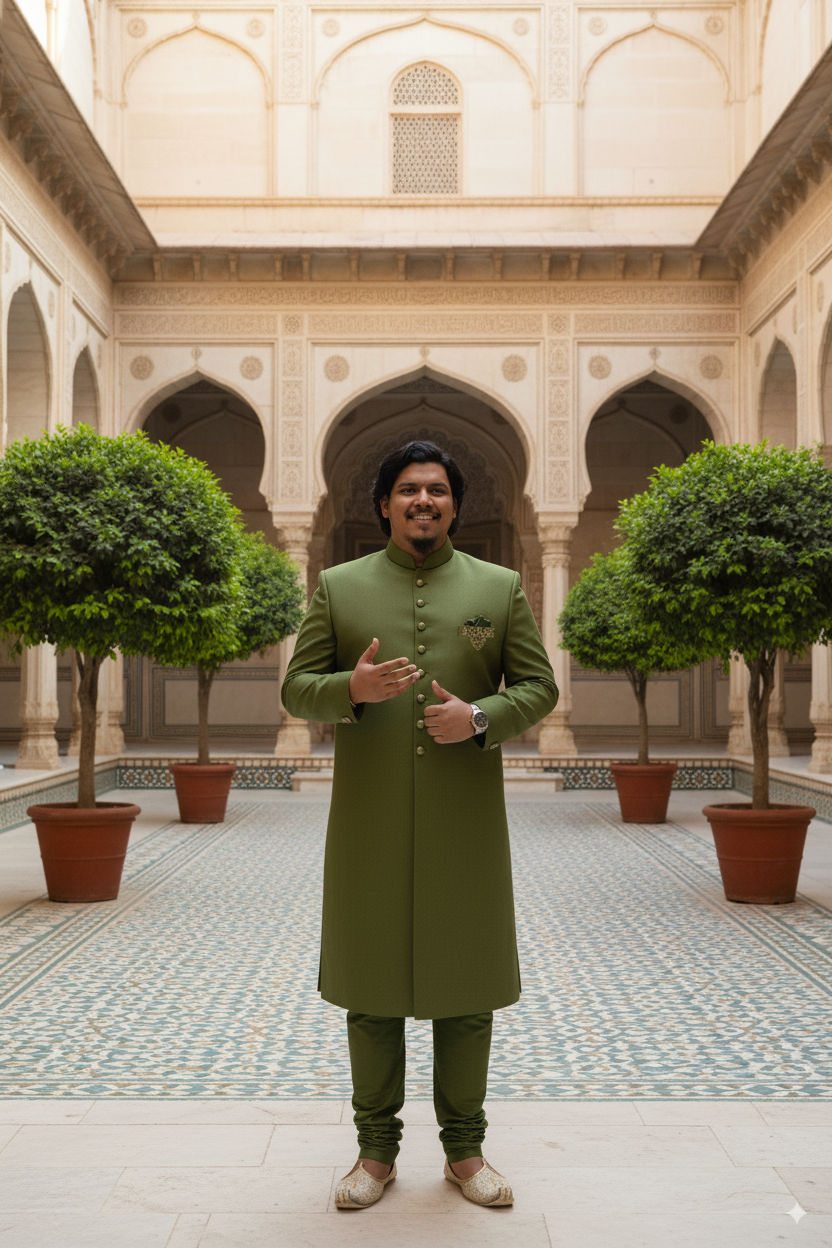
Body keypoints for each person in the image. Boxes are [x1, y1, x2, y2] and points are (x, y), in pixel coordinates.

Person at [281, 440, 558, 1209]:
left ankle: (466, 1156)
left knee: (466, 993)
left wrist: (479, 717)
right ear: (384, 504)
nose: (423, 501)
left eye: (437, 490)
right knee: (370, 993)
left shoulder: (498, 589)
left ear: (455, 505)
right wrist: (353, 687)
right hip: (368, 826)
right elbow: (297, 689)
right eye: (408, 490)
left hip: (465, 826)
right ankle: (374, 1156)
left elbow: (539, 688)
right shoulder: (338, 588)